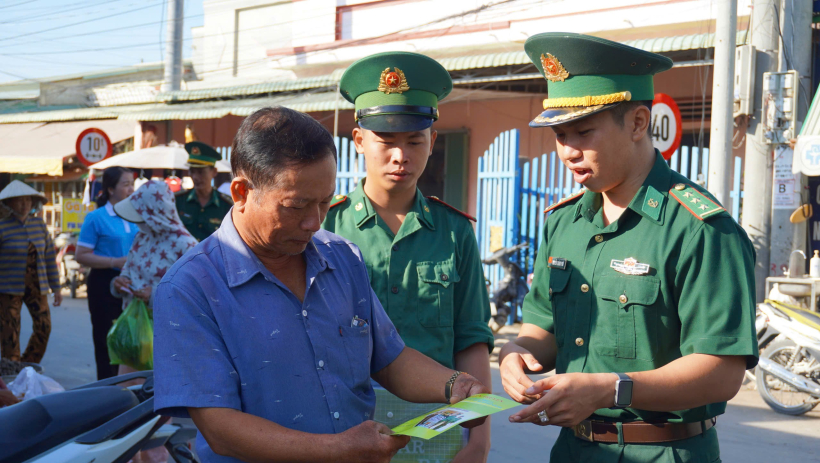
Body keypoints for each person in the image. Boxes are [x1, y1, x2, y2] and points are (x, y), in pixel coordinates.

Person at [152, 106, 490, 463]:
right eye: (296, 206)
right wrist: (338, 450)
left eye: (325, 202)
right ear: (241, 192)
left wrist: (453, 384)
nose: (313, 222)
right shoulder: (190, 288)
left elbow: (390, 359)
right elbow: (220, 429)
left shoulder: (342, 258)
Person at [497, 33, 758, 462]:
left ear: (638, 123)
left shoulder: (701, 229)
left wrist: (611, 387)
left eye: (583, 132)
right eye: (560, 135)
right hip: (573, 449)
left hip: (665, 451)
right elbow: (541, 327)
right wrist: (516, 354)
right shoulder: (564, 222)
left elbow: (722, 372)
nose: (568, 151)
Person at [323, 52, 494, 463]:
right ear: (360, 141)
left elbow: (471, 338)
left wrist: (480, 440)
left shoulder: (455, 231)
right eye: (386, 141)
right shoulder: (325, 225)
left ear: (432, 143)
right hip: (343, 420)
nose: (401, 155)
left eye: (415, 141)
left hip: (436, 421)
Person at [111, 179, 198, 372]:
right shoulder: (142, 237)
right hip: (134, 330)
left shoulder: (187, 246)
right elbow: (128, 269)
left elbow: (193, 296)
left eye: (142, 216)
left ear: (155, 214)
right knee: (127, 390)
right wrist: (119, 283)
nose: (139, 222)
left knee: (153, 394)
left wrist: (154, 295)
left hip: (166, 336)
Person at [75, 167, 138, 380]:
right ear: (110, 189)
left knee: (132, 341)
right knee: (106, 342)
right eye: (126, 184)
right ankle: (107, 394)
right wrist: (114, 261)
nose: (131, 189)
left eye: (132, 183)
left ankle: (131, 390)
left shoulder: (136, 215)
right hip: (104, 283)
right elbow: (81, 255)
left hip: (132, 284)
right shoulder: (96, 217)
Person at [0, 181, 60, 363]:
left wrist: (56, 287)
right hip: (8, 288)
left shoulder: (39, 225)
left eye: (27, 200)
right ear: (9, 203)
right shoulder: (2, 227)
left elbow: (50, 257)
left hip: (37, 285)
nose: (24, 204)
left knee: (44, 327)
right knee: (9, 332)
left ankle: (28, 364)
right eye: (18, 201)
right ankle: (11, 367)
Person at [176, 142, 233, 242]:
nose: (195, 177)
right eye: (192, 171)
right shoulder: (177, 200)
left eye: (201, 172)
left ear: (214, 172)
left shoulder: (227, 205)